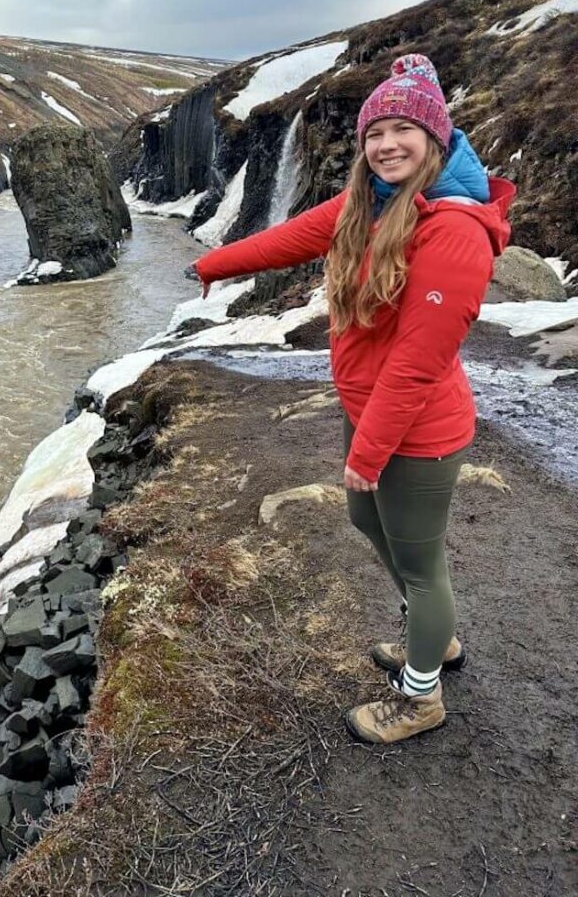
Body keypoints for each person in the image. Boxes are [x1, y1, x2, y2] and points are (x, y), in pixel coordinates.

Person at [191, 53, 515, 744]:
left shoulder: (455, 232)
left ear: (434, 139)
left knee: (422, 563)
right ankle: (435, 638)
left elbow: (417, 363)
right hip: (367, 409)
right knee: (368, 523)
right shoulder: (368, 203)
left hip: (417, 429)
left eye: (404, 129)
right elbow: (290, 238)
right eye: (376, 132)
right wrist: (211, 264)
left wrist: (369, 451)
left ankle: (422, 693)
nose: (387, 143)